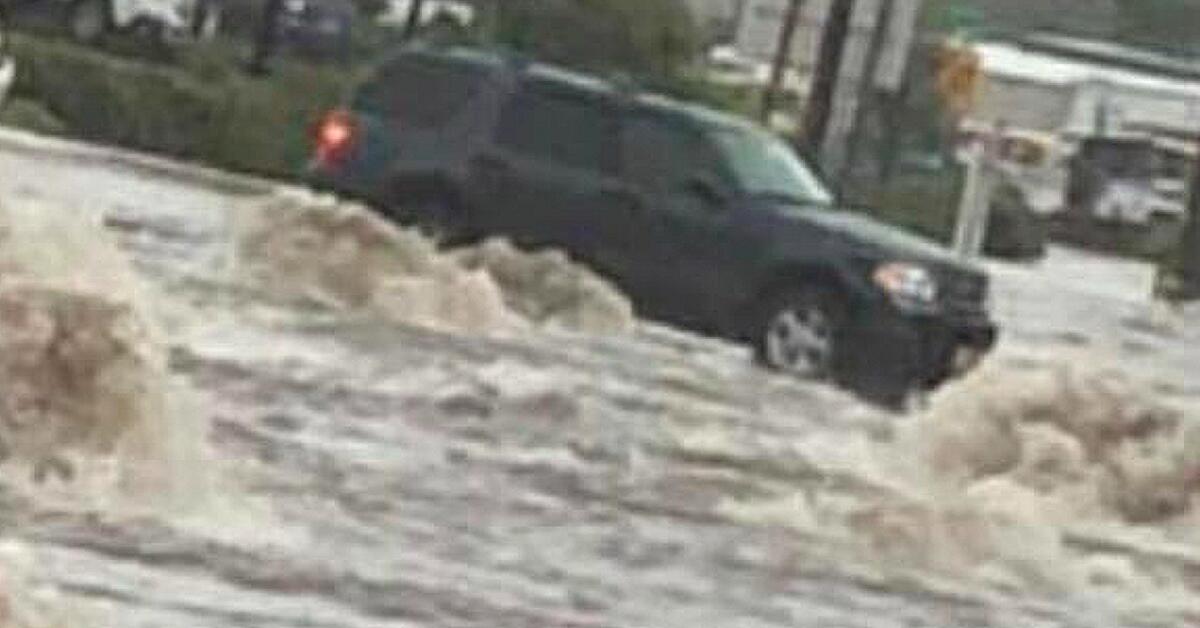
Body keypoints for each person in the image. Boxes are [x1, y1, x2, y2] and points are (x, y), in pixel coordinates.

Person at [248, 0, 285, 75]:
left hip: (271, 23)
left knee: (267, 39)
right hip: (270, 22)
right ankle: (259, 64)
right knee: (265, 39)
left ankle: (261, 65)